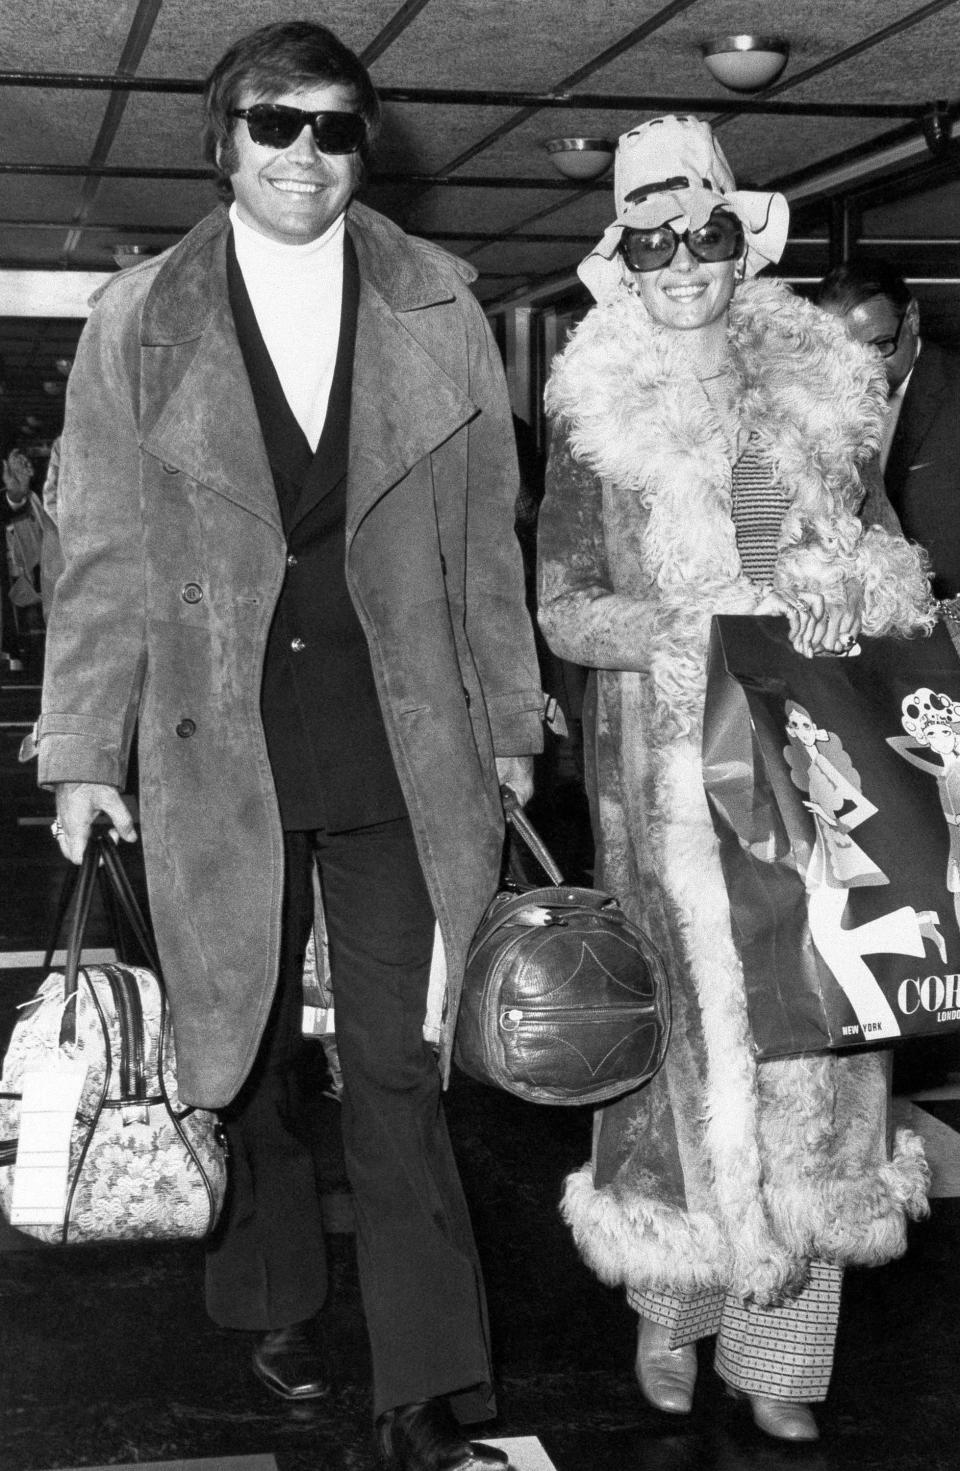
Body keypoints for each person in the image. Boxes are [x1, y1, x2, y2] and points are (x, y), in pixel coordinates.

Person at [30, 20, 542, 1471]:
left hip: (400, 737)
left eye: (336, 127)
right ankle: (273, 1295)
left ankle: (433, 1375)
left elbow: (485, 554)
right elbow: (105, 551)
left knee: (398, 1064)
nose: (306, 155)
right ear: (223, 140)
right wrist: (82, 749)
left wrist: (508, 722)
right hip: (218, 743)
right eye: (275, 124)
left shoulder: (440, 299)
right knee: (240, 1047)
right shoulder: (142, 315)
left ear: (364, 143)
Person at [537, 115, 934, 1444]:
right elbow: (562, 602)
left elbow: (896, 559)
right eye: (650, 239)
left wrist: (848, 587)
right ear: (625, 258)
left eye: (703, 231)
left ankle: (784, 1352)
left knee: (812, 1026)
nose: (681, 259)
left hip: (815, 754)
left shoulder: (828, 386)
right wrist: (656, 629)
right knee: (690, 1042)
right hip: (667, 771)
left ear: (739, 241)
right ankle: (675, 1308)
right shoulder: (593, 415)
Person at [815, 259, 960, 600]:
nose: (863, 369)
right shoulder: (815, 406)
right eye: (843, 353)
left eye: (880, 346)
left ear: (911, 318)